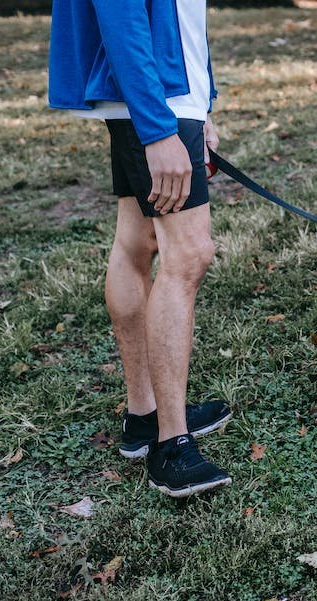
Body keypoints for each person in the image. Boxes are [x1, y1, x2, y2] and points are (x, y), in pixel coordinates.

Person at [48, 0, 232, 497]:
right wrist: (159, 130)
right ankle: (171, 445)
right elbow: (119, 14)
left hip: (167, 97)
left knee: (139, 239)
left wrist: (202, 103)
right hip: (154, 102)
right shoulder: (156, 115)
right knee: (189, 254)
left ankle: (144, 416)